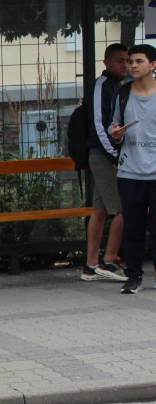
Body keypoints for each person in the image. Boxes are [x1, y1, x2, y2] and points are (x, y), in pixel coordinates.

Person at [109, 44, 156, 295]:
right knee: (133, 228)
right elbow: (111, 127)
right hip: (130, 173)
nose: (133, 65)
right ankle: (134, 276)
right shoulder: (123, 93)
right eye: (130, 61)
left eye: (139, 61)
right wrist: (115, 134)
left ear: (153, 65)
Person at [81, 43, 129, 282]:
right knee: (122, 209)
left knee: (99, 210)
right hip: (104, 156)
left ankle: (91, 266)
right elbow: (99, 124)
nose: (126, 65)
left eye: (128, 60)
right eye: (120, 60)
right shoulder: (103, 86)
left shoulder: (119, 86)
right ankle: (109, 261)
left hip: (104, 155)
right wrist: (114, 156)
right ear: (106, 63)